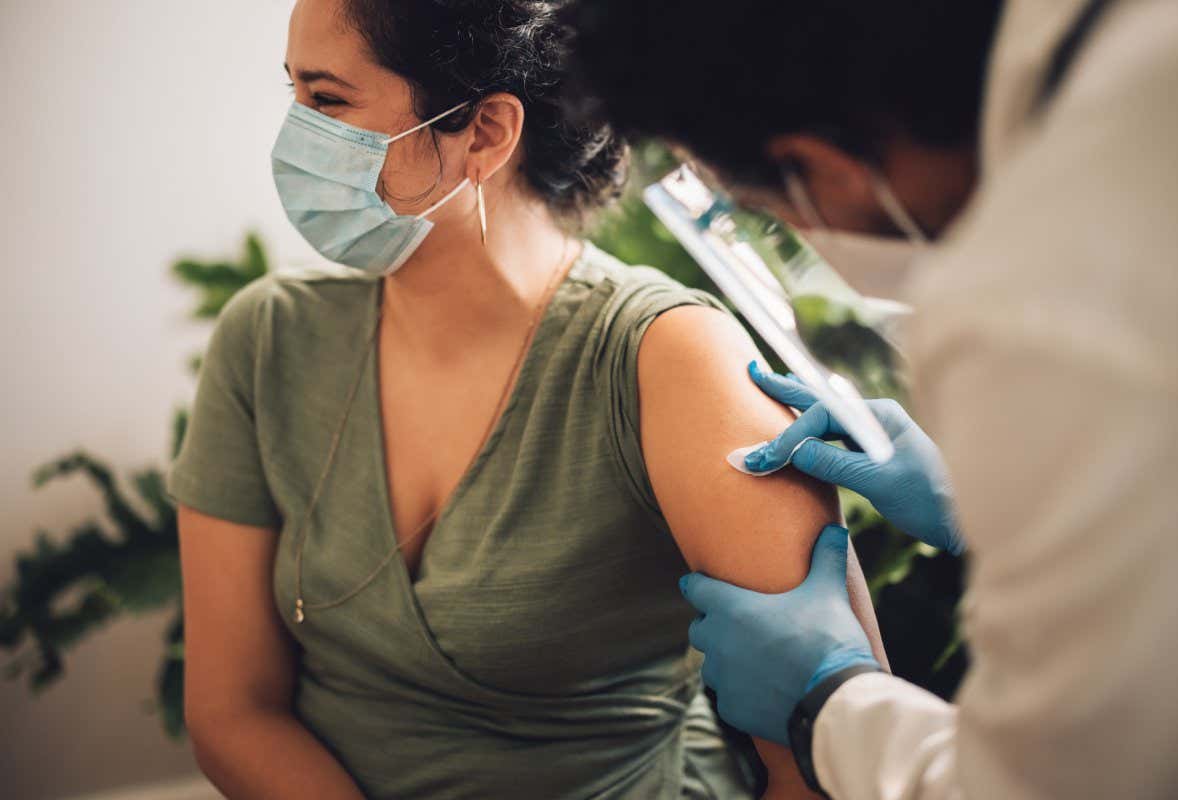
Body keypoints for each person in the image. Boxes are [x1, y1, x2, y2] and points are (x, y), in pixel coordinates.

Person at [166, 1, 888, 798]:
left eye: (329, 100)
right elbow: (233, 712)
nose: (293, 137)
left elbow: (831, 768)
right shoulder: (269, 340)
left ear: (484, 133)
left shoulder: (670, 362)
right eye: (293, 94)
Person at [567, 0, 1178, 798]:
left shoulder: (1040, 311)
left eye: (767, 217)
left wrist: (827, 702)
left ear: (820, 166)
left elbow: (1063, 782)